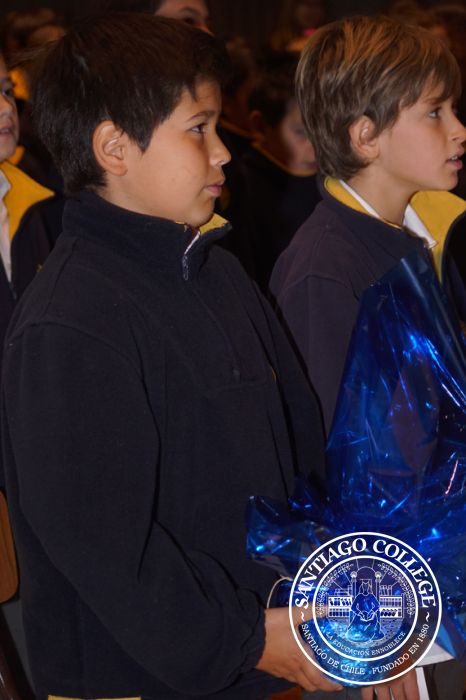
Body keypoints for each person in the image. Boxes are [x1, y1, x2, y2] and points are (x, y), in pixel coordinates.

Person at [0, 14, 342, 699]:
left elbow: (299, 437)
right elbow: (103, 546)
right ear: (114, 148)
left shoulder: (216, 270)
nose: (223, 152)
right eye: (198, 129)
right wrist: (245, 639)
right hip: (146, 678)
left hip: (265, 648)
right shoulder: (69, 321)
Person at [270, 14, 466, 700]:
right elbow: (335, 468)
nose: (458, 129)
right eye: (435, 112)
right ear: (365, 136)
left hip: (445, 571)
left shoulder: (414, 235)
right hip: (400, 602)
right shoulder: (326, 271)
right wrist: (379, 633)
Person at [240, 50, 320, 290]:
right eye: (301, 133)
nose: (317, 146)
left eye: (323, 129)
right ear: (260, 125)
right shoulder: (244, 188)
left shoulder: (332, 175)